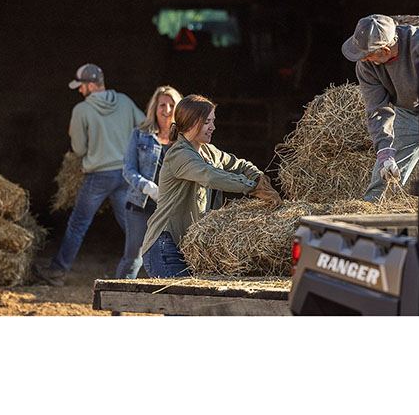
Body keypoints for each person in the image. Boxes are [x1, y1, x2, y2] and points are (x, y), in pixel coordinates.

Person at [139, 94, 282, 278]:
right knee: (185, 304)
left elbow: (239, 164)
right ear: (192, 122)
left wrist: (258, 178)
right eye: (207, 122)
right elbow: (210, 176)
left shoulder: (208, 151)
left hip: (187, 247)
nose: (213, 127)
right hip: (164, 245)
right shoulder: (179, 155)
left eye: (213, 121)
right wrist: (252, 187)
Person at [35, 63, 146, 286]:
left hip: (99, 175)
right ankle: (159, 265)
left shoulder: (82, 110)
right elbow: (144, 125)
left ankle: (57, 271)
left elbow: (79, 150)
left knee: (78, 224)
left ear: (92, 85)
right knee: (132, 225)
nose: (79, 90)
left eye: (82, 86)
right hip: (125, 173)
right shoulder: (124, 101)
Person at [341, 14, 419, 201]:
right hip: (409, 110)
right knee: (385, 172)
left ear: (384, 50)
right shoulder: (367, 67)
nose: (363, 59)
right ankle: (373, 210)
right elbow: (377, 109)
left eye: (367, 55)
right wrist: (385, 151)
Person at [119, 85, 184, 279]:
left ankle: (170, 308)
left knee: (168, 258)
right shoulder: (140, 134)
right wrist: (147, 186)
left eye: (172, 105)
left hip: (170, 208)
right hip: (140, 205)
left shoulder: (184, 140)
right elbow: (128, 169)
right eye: (162, 105)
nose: (167, 110)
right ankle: (117, 306)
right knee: (133, 258)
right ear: (154, 108)